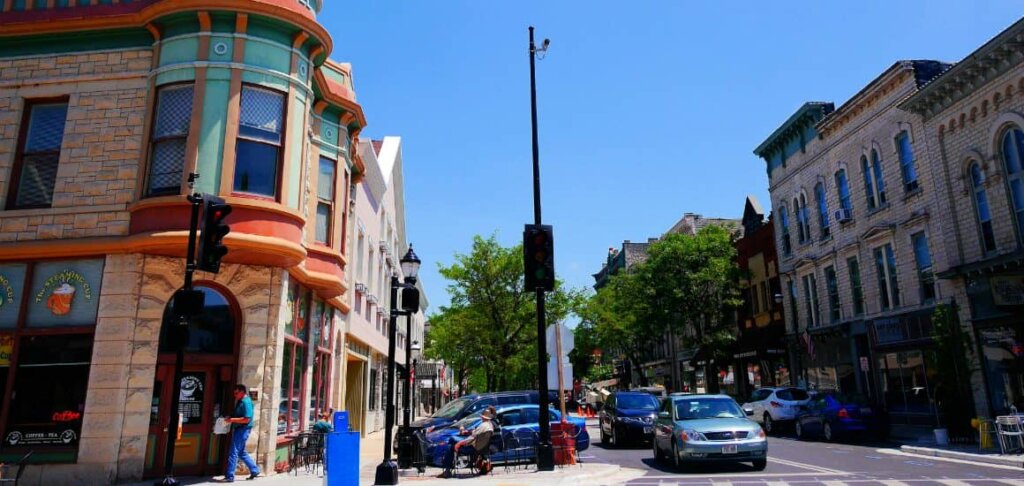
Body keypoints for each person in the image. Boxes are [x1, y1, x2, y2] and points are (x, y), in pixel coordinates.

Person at [441, 406, 496, 477]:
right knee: (452, 444)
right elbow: (477, 434)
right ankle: (447, 469)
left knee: (451, 443)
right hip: (481, 449)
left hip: (473, 448)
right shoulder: (490, 426)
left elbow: (471, 438)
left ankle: (447, 470)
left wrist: (459, 443)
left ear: (483, 417)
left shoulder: (483, 425)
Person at [222, 384, 260, 482]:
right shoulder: (240, 401)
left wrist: (231, 420)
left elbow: (246, 419)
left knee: (233, 452)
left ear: (242, 392)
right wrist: (230, 417)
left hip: (243, 429)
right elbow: (238, 414)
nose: (235, 395)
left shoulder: (246, 402)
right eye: (234, 393)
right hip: (240, 428)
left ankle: (230, 476)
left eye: (236, 393)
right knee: (241, 452)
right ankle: (255, 470)